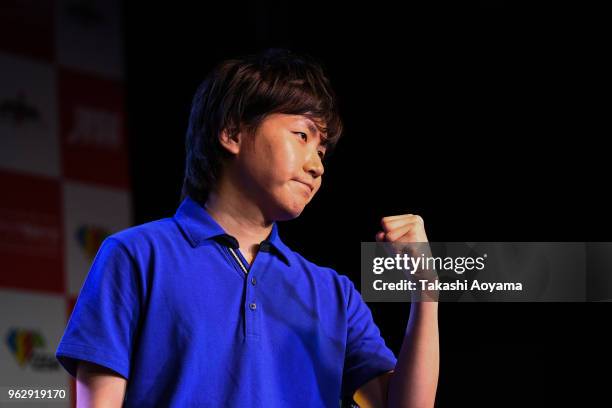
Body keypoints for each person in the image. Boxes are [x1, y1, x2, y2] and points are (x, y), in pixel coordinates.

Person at [56, 48, 439, 407]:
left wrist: (426, 291)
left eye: (322, 152)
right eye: (302, 136)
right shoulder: (136, 256)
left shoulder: (333, 293)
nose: (317, 166)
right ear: (233, 133)